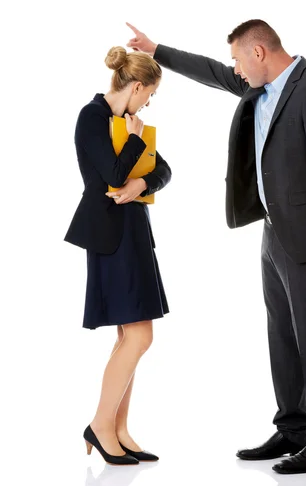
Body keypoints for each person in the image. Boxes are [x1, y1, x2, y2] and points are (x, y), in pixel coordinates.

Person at [126, 19, 306, 475]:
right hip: (272, 230)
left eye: (238, 60)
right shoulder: (258, 86)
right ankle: (292, 428)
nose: (235, 70)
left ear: (259, 53)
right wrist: (156, 49)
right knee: (281, 333)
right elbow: (209, 70)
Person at [64, 46, 171, 465]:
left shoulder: (128, 124)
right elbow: (110, 174)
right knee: (140, 336)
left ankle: (119, 429)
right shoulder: (92, 118)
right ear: (138, 85)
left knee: (130, 336)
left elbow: (163, 170)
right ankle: (100, 424)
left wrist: (141, 185)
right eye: (150, 94)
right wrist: (135, 140)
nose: (149, 102)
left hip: (135, 231)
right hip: (110, 236)